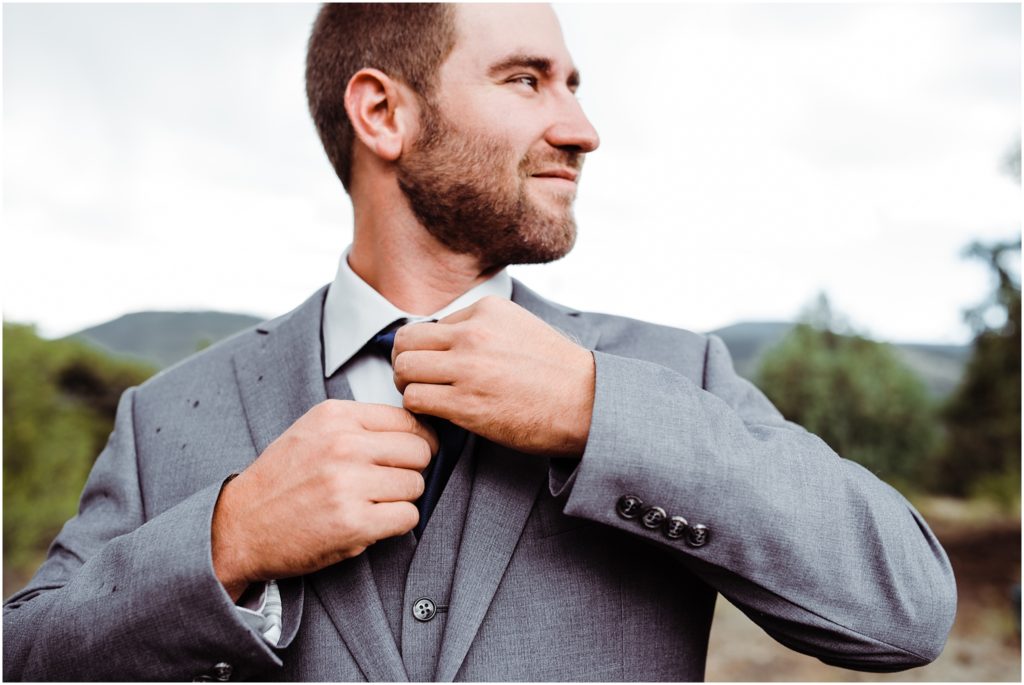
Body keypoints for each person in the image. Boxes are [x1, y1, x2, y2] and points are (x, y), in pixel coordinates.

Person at [4, 4, 956, 681]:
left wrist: (597, 412)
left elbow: (906, 611)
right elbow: (26, 660)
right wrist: (228, 540)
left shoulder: (672, 377)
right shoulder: (168, 414)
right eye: (527, 80)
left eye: (574, 85)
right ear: (384, 113)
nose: (580, 129)